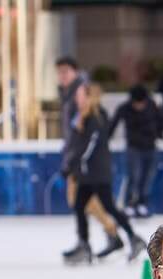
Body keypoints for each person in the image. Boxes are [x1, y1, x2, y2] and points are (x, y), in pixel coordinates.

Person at [62, 82, 146, 265]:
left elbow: (88, 146)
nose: (77, 98)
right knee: (79, 206)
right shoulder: (83, 116)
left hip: (96, 173)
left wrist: (72, 165)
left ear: (88, 97)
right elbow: (77, 144)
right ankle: (84, 244)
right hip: (87, 173)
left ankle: (133, 237)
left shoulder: (95, 117)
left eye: (80, 95)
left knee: (108, 207)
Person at [56, 57, 121, 259]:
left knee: (81, 201)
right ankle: (104, 237)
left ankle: (106, 236)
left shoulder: (81, 93)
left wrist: (74, 159)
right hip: (76, 158)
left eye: (66, 72)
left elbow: (87, 130)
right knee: (81, 201)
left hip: (82, 162)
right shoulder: (69, 94)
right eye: (59, 72)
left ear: (76, 71)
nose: (62, 76)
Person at [112, 84, 163, 218]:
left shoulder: (152, 105)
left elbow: (161, 121)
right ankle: (129, 204)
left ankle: (143, 203)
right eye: (136, 103)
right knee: (133, 176)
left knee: (148, 177)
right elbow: (113, 123)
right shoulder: (124, 108)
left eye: (141, 103)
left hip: (150, 147)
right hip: (133, 148)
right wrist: (106, 137)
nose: (139, 106)